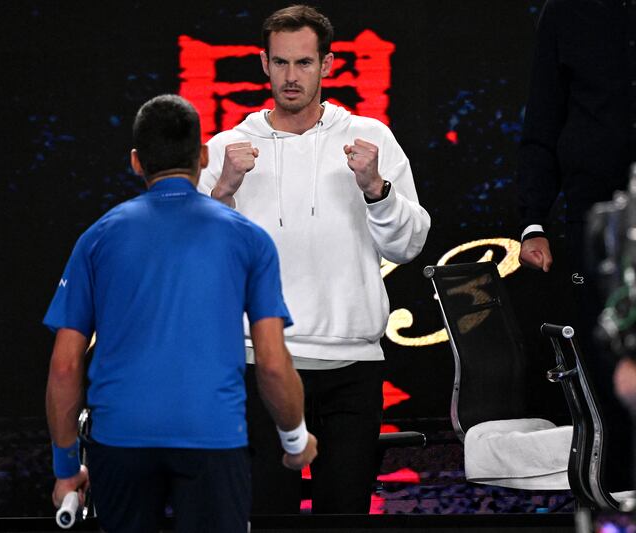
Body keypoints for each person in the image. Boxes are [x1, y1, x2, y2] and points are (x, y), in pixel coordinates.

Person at [43, 94, 317, 533]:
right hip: (212, 439)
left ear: (136, 162)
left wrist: (65, 468)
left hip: (120, 442)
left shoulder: (97, 239)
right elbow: (270, 361)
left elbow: (64, 365)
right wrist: (295, 440)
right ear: (203, 155)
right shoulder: (249, 239)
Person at [198, 5, 431, 514]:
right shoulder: (225, 148)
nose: (291, 76)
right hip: (258, 361)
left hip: (352, 364)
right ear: (263, 63)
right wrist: (223, 191)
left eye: (304, 63)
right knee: (264, 514)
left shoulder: (371, 140)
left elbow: (408, 244)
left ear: (327, 65)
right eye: (280, 63)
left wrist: (375, 188)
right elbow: (197, 260)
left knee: (344, 514)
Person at [516, 0, 635, 491]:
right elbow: (543, 120)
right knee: (603, 357)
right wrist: (532, 222)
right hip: (595, 217)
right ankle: (616, 495)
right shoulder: (566, 11)